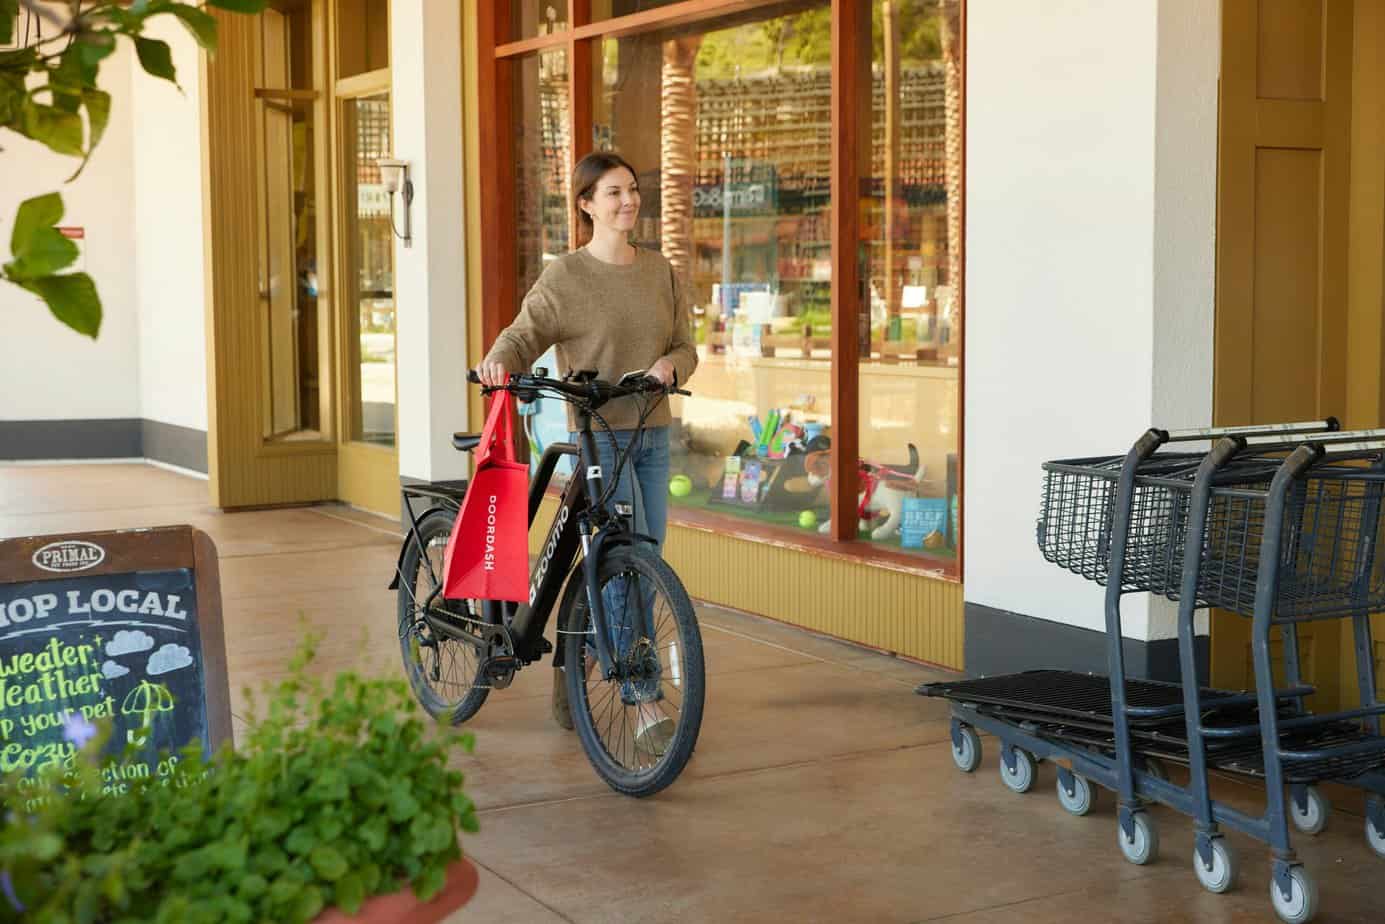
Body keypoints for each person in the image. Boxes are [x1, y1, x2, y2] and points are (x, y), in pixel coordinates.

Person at [476, 151, 698, 734]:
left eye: (633, 189)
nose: (629, 201)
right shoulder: (566, 277)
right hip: (600, 435)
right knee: (625, 563)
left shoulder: (660, 271)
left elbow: (685, 346)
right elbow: (523, 335)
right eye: (614, 192)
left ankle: (584, 650)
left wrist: (670, 367)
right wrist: (499, 363)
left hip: (651, 434)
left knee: (644, 561)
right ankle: (640, 694)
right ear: (586, 204)